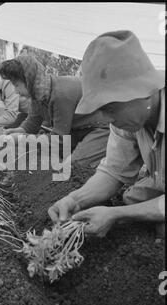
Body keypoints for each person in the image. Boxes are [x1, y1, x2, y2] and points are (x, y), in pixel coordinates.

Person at [48, 30, 165, 238]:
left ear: (143, 90)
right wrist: (75, 199)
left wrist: (117, 214)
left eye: (111, 108)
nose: (108, 118)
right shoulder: (126, 118)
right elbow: (113, 171)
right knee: (133, 200)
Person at [0, 55, 111, 168]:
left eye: (16, 85)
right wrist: (19, 130)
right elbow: (32, 124)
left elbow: (59, 139)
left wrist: (22, 139)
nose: (15, 91)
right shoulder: (37, 94)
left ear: (29, 80)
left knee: (74, 165)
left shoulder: (60, 95)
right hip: (76, 130)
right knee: (39, 151)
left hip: (100, 129)